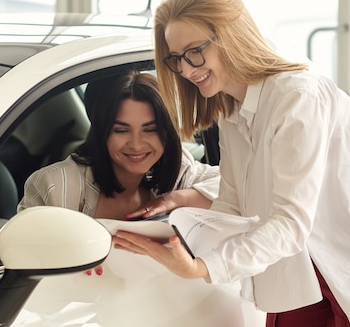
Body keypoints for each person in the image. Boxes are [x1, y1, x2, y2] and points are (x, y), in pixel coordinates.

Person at [111, 0, 350, 327]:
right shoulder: (229, 108)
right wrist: (172, 232)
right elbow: (234, 205)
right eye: (176, 58)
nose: (188, 69)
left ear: (230, 34)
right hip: (301, 263)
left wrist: (202, 267)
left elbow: (289, 224)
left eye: (195, 52)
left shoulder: (296, 98)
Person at [18, 70, 220, 272]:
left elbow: (239, 191)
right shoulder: (55, 184)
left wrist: (177, 199)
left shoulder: (179, 170)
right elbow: (23, 257)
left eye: (150, 129)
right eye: (121, 130)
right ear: (102, 133)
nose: (136, 144)